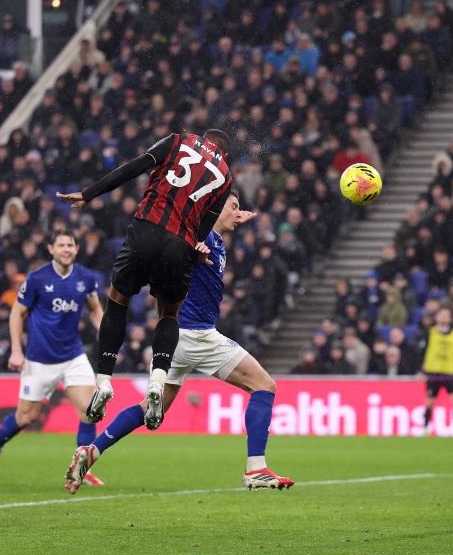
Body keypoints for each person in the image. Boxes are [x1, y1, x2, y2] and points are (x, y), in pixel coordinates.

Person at [64, 193, 294, 492]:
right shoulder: (199, 233)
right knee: (264, 386)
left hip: (176, 340)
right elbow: (175, 242)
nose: (239, 213)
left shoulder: (216, 241)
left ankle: (91, 451)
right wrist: (190, 246)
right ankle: (255, 469)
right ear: (215, 209)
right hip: (197, 334)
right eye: (233, 206)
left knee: (149, 409)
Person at [57, 129, 233, 431]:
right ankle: (157, 379)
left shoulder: (180, 140)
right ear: (224, 152)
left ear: (204, 138)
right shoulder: (226, 176)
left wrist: (89, 193)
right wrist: (194, 252)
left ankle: (104, 381)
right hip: (180, 243)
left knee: (118, 300)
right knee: (168, 313)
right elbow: (203, 228)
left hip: (147, 230)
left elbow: (136, 166)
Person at [0, 231, 104, 485]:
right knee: (26, 417)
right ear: (51, 249)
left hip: (73, 356)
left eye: (70, 245)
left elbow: (95, 309)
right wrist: (16, 350)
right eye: (61, 245)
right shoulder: (36, 279)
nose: (66, 249)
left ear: (77, 249)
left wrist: (106, 334)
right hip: (39, 359)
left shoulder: (85, 278)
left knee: (90, 410)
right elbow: (16, 314)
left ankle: (82, 469)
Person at [419, 307, 453, 435]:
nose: (444, 318)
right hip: (433, 373)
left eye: (446, 315)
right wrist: (421, 370)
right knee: (429, 403)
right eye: (441, 315)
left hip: (450, 373)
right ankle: (425, 428)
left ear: (450, 319)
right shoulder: (430, 332)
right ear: (437, 318)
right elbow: (423, 352)